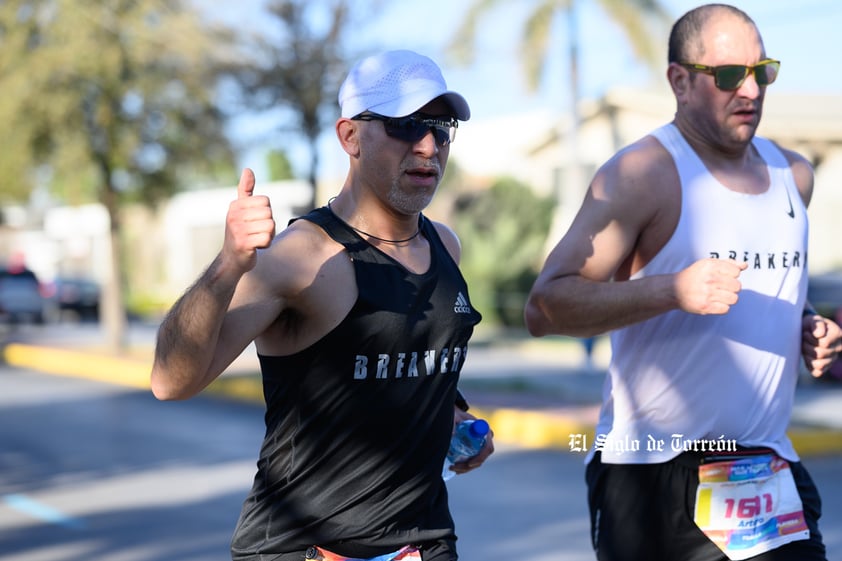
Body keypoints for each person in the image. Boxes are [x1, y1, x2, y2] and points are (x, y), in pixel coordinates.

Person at [524, 4, 841, 561]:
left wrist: (807, 323)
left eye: (762, 70)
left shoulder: (794, 175)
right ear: (680, 81)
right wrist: (671, 290)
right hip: (654, 472)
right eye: (726, 76)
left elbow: (772, 281)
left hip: (764, 467)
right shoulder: (642, 174)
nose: (750, 89)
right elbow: (544, 308)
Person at [151, 49, 493, 561]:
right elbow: (170, 382)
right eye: (404, 125)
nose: (428, 146)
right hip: (304, 549)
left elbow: (408, 361)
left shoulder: (445, 245)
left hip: (424, 543)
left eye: (440, 127)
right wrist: (227, 265)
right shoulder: (299, 258)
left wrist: (456, 416)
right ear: (350, 137)